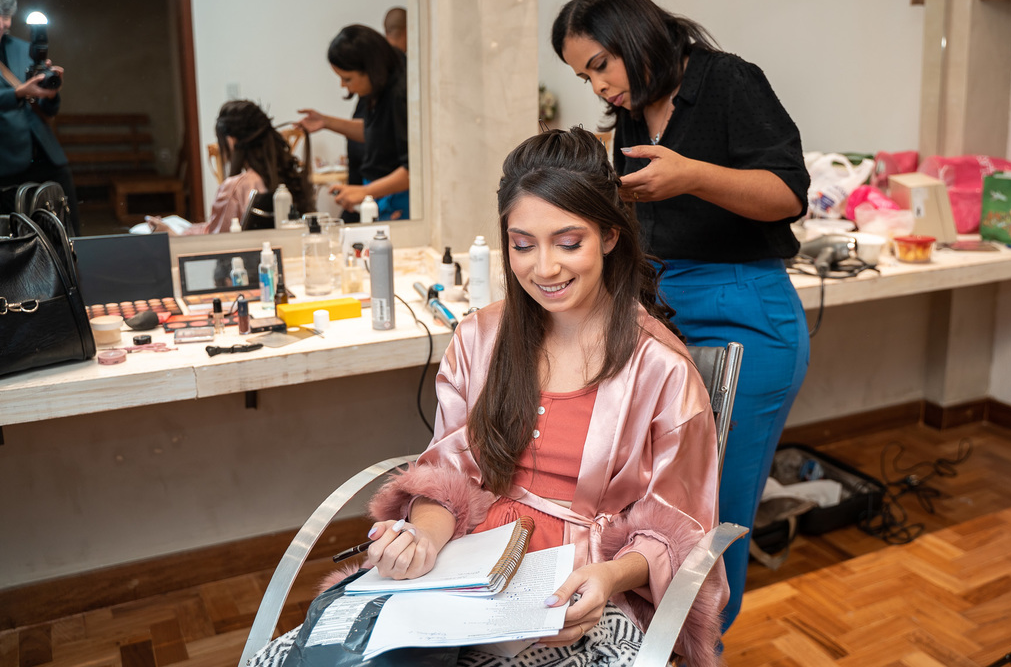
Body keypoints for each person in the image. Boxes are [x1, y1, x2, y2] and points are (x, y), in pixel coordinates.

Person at [250, 127, 727, 667]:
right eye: (522, 244)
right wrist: (423, 541)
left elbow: (677, 527)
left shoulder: (660, 368)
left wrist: (609, 575)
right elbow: (451, 475)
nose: (543, 268)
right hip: (464, 566)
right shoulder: (479, 338)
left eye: (568, 243)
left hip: (578, 583)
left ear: (611, 236)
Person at [552, 0, 811, 629]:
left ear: (633, 37)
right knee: (653, 497)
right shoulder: (634, 118)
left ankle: (699, 642)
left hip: (746, 314)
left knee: (714, 514)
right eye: (584, 76)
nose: (598, 87)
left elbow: (787, 193)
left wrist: (692, 174)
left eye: (599, 65)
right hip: (666, 311)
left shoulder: (728, 82)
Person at [298, 25, 409, 220]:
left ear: (370, 69)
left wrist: (365, 192)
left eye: (347, 79)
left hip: (395, 198)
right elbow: (377, 133)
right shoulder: (378, 88)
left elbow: (414, 169)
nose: (343, 85)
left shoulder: (400, 94)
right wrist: (325, 121)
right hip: (376, 192)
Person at [0, 0, 79, 234]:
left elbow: (48, 109)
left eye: (9, 15)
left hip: (47, 155)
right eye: (1, 15)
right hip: (7, 161)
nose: (7, 23)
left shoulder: (24, 48)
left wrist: (50, 93)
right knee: (20, 239)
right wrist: (18, 93)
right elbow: (18, 95)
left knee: (67, 232)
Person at [168, 100, 314, 235]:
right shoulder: (290, 177)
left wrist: (174, 235)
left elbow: (216, 240)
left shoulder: (236, 187)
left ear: (231, 140)